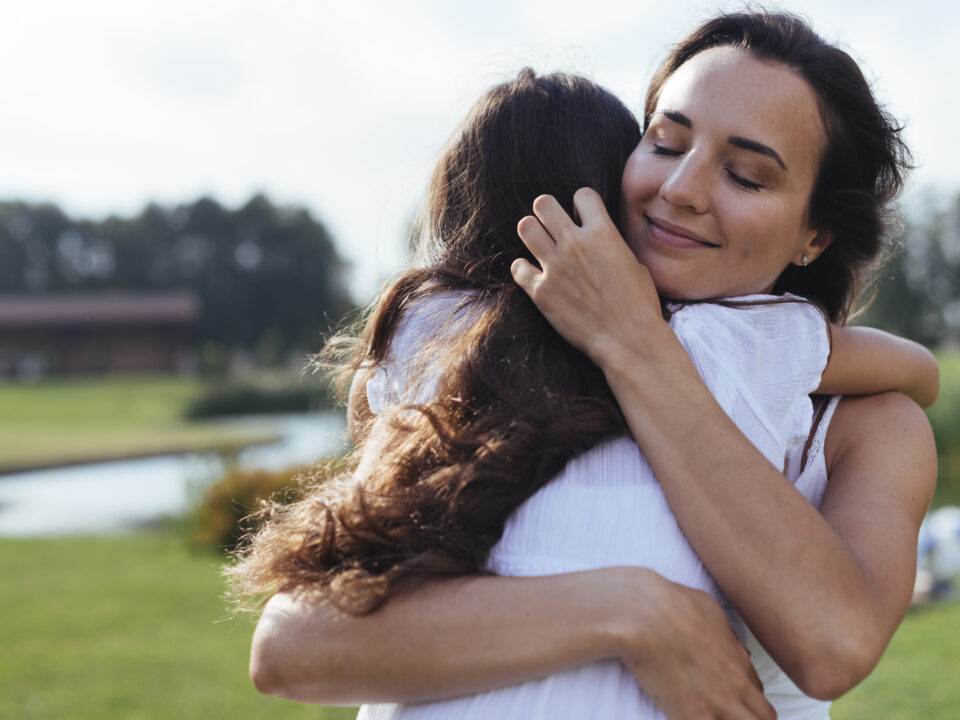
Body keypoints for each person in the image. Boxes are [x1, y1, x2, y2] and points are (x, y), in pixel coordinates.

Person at [239, 12, 938, 720]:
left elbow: (832, 646)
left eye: (747, 177)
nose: (682, 189)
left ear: (815, 235)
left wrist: (633, 341)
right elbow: (294, 644)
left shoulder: (862, 420)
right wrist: (630, 610)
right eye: (664, 143)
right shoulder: (497, 359)